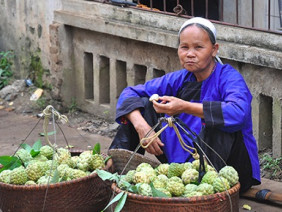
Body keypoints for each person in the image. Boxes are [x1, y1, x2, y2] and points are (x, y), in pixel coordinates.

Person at [109, 17, 261, 193]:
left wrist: (184, 106)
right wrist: (142, 126)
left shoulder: (229, 78)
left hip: (231, 170)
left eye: (198, 47)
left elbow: (238, 113)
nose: (190, 54)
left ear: (214, 49)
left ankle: (202, 191)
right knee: (143, 105)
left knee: (218, 120)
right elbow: (129, 93)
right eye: (184, 47)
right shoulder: (179, 79)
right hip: (185, 169)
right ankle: (115, 174)